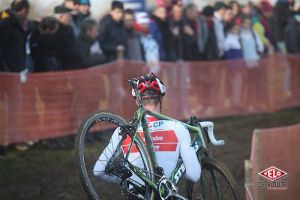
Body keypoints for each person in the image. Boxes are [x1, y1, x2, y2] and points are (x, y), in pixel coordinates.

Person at [93, 73, 201, 192]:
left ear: (137, 101)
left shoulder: (122, 130)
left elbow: (98, 171)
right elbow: (194, 175)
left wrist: (127, 180)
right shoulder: (179, 128)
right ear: (161, 98)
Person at [0, 0, 30, 72]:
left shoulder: (14, 22)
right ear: (24, 10)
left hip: (13, 68)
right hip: (8, 70)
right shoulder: (8, 22)